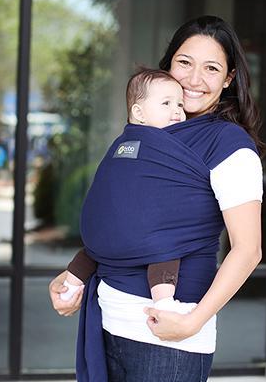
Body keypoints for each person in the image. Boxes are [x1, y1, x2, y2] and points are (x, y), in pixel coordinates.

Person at [49, 15, 263, 382]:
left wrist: (195, 321)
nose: (194, 79)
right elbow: (121, 216)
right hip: (109, 320)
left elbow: (248, 249)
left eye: (212, 68)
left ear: (228, 79)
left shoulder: (230, 147)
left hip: (170, 334)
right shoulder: (147, 133)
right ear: (168, 66)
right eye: (185, 62)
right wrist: (74, 275)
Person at [60, 68, 189, 312]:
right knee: (167, 249)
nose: (177, 111)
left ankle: (70, 286)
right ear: (138, 113)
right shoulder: (158, 144)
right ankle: (163, 302)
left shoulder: (123, 144)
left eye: (180, 105)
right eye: (166, 103)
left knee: (93, 251)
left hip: (111, 231)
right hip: (142, 231)